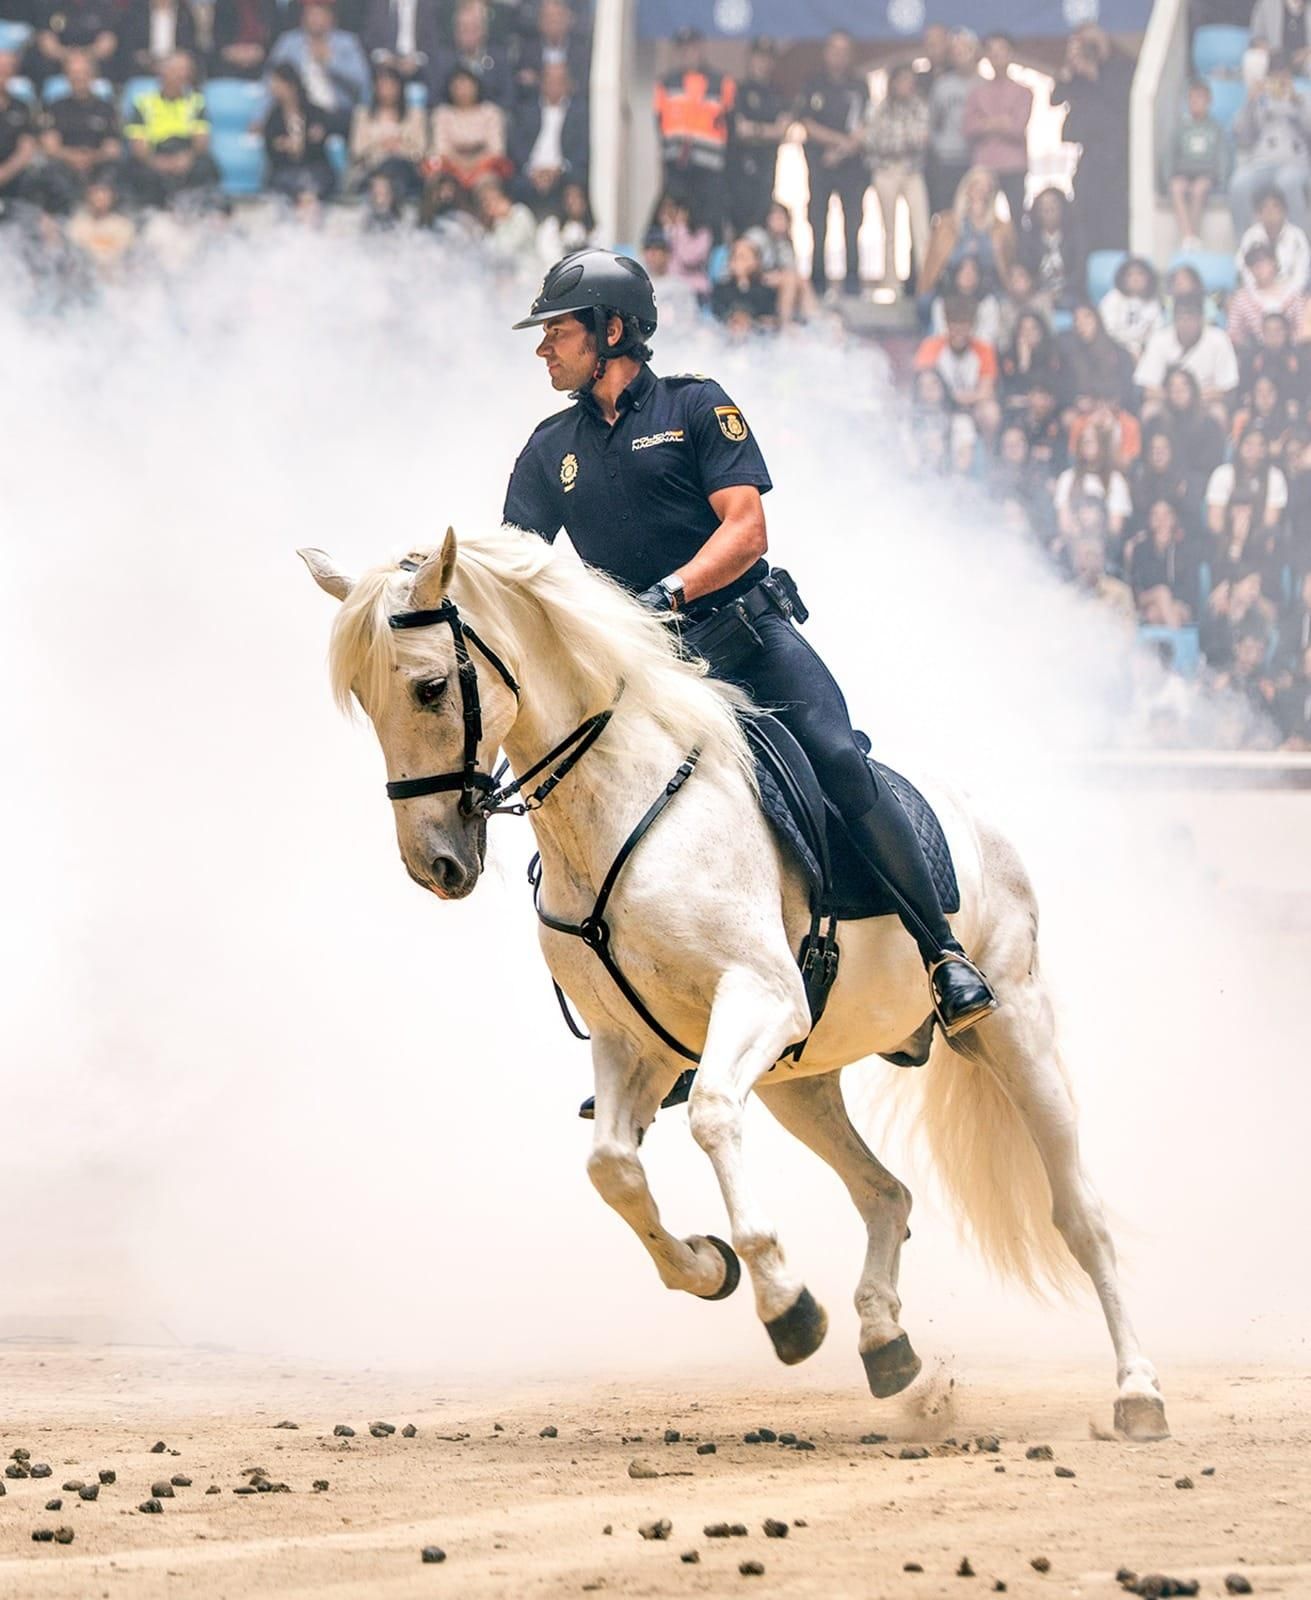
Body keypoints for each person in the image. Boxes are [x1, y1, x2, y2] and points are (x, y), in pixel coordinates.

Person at [503, 249, 1000, 1116]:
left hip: (746, 640)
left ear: (612, 332)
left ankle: (941, 954)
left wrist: (669, 593)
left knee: (838, 762)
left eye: (559, 331)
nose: (544, 349)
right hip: (649, 674)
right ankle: (662, 1024)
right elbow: (514, 565)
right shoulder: (551, 449)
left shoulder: (696, 406)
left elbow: (746, 528)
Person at [1050, 23, 1134, 250]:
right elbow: (1056, 97)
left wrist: (1094, 74)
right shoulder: (1077, 74)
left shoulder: (1121, 68)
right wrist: (1069, 67)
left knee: (1114, 212)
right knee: (1084, 208)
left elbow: (1122, 100)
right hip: (1089, 153)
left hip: (1117, 154)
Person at [798, 29, 869, 298]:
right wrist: (838, 142)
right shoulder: (813, 83)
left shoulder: (859, 85)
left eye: (844, 51)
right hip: (820, 165)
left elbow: (865, 126)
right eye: (834, 50)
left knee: (853, 224)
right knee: (818, 223)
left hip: (852, 167)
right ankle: (817, 281)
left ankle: (852, 282)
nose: (839, 56)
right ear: (826, 53)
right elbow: (807, 123)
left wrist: (840, 150)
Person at [653, 26, 734, 240]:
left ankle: (715, 270)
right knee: (672, 223)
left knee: (711, 223)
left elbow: (731, 124)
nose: (689, 54)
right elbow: (659, 123)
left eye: (693, 48)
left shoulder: (722, 83)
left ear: (701, 49)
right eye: (684, 49)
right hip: (677, 170)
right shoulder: (666, 83)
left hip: (710, 170)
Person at [123, 51, 221, 208]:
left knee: (206, 167)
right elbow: (138, 146)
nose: (179, 76)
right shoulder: (142, 103)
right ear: (161, 73)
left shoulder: (197, 102)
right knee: (138, 172)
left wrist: (186, 158)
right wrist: (157, 162)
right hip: (155, 154)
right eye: (174, 70)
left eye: (183, 71)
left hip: (185, 153)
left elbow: (201, 142)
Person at [866, 61, 930, 297]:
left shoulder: (920, 107)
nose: (907, 86)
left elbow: (922, 139)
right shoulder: (880, 109)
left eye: (910, 81)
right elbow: (873, 141)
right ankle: (890, 282)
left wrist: (899, 143)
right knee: (889, 230)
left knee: (921, 228)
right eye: (902, 81)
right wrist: (903, 142)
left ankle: (926, 282)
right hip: (886, 172)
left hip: (912, 172)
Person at [1230, 55, 1311, 232]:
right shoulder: (1259, 100)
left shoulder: (1303, 98)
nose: (1279, 80)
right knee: (1239, 184)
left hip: (1295, 163)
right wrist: (1249, 102)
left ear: (1290, 76)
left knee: (1287, 182)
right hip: (1262, 163)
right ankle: (1248, 245)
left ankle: (1300, 246)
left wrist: (1295, 102)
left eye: (1283, 75)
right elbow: (1241, 135)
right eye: (1274, 75)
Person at [267, 0, 371, 138]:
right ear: (303, 19)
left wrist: (331, 63)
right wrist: (260, 116)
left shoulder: (348, 43)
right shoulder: (288, 43)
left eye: (320, 15)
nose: (316, 20)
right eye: (311, 16)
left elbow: (362, 82)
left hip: (338, 111)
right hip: (299, 112)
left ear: (331, 19)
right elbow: (270, 80)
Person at [38, 49, 121, 215]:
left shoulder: (107, 108)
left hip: (98, 164)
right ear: (66, 76)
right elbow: (50, 147)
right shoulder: (55, 107)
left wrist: (90, 158)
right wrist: (73, 157)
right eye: (73, 73)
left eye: (84, 73)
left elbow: (113, 149)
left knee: (114, 172)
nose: (79, 77)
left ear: (93, 75)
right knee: (49, 171)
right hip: (65, 165)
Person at [961, 30, 1031, 226]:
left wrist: (986, 122)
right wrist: (1001, 122)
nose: (997, 55)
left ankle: (1018, 256)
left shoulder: (1024, 92)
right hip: (984, 166)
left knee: (1018, 219)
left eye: (1001, 50)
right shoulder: (976, 92)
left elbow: (1017, 128)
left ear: (1011, 54)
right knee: (980, 219)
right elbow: (968, 127)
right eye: (992, 50)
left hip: (1014, 165)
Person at [1134, 294, 1240, 417]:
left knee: (1218, 412)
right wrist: (1176, 396)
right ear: (1173, 319)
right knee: (1149, 410)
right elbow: (1148, 389)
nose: (1185, 323)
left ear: (1201, 318)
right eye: (1181, 318)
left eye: (1191, 318)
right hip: (1167, 401)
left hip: (1204, 402)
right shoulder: (1159, 339)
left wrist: (1192, 396)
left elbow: (1227, 389)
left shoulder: (1219, 339)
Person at [919, 166, 1014, 299]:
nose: (981, 191)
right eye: (977, 185)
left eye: (986, 187)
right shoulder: (946, 223)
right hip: (949, 289)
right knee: (925, 303)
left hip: (988, 289)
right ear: (967, 188)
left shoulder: (1002, 228)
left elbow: (1003, 267)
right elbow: (938, 260)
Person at [507, 58, 587, 214]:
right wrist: (532, 170)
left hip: (564, 172)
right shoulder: (525, 110)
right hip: (530, 172)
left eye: (559, 81)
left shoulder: (579, 114)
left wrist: (559, 170)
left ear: (568, 84)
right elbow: (516, 146)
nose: (554, 86)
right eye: (549, 80)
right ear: (541, 82)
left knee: (576, 185)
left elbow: (582, 150)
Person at [727, 36, 788, 235]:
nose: (763, 63)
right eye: (759, 57)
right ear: (750, 58)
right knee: (739, 224)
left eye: (768, 58)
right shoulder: (738, 90)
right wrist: (766, 131)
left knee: (762, 223)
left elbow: (781, 131)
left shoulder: (779, 93)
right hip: (739, 169)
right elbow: (740, 129)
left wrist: (756, 130)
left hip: (766, 168)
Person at [1165, 78, 1229, 249]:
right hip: (1184, 172)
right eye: (1191, 99)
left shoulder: (1215, 128)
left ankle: (1194, 233)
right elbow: (1171, 154)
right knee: (1176, 187)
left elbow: (1222, 156)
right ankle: (1188, 236)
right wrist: (1168, 176)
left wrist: (1221, 179)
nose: (1195, 103)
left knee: (1199, 189)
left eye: (1199, 99)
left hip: (1206, 174)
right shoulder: (1181, 128)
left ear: (1208, 101)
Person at [349, 61, 427, 197]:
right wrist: (383, 145)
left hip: (405, 168)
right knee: (383, 171)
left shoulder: (415, 115)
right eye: (382, 86)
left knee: (396, 166)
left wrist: (398, 148)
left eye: (391, 86)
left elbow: (420, 149)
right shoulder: (363, 115)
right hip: (372, 168)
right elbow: (357, 149)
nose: (386, 90)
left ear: (399, 88)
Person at [429, 64, 508, 190]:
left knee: (489, 179)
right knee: (439, 179)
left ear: (476, 86)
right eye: (457, 87)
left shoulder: (491, 112)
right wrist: (461, 165)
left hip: (485, 168)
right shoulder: (442, 114)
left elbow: (496, 149)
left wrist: (473, 165)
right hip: (450, 168)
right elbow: (441, 149)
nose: (462, 91)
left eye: (467, 86)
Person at [263, 62, 335, 201]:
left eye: (277, 82)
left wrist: (310, 139)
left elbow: (324, 134)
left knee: (316, 182)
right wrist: (284, 146)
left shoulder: (314, 113)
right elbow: (271, 148)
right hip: (285, 170)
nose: (273, 87)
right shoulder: (273, 117)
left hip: (314, 168)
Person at [926, 26, 977, 218]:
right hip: (946, 161)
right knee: (946, 214)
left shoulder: (983, 84)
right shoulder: (942, 85)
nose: (961, 55)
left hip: (975, 160)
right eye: (957, 52)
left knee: (972, 215)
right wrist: (939, 145)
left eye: (966, 50)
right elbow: (932, 122)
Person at [1016, 185, 1085, 310]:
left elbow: (1079, 273)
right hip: (1037, 294)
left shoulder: (1075, 238)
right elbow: (1026, 271)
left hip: (1068, 294)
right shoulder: (1029, 240)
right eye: (1044, 208)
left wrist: (1059, 292)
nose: (1049, 211)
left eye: (1053, 207)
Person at [432, 0, 511, 107]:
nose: (469, 35)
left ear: (484, 31)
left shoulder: (499, 58)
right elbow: (435, 98)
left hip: (489, 118)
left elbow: (508, 97)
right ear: (455, 32)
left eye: (474, 29)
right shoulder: (442, 60)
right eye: (464, 29)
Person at [1228, 239, 1306, 346]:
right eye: (1253, 263)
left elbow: (1302, 328)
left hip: (1291, 354)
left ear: (1274, 262)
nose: (1258, 266)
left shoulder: (1294, 294)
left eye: (1263, 261)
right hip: (1254, 356)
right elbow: (1234, 333)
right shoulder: (1241, 299)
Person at [1235, 183, 1311, 290]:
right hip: (1256, 296)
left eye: (1275, 206)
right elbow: (1243, 269)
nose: (1270, 212)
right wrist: (1260, 295)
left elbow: (1302, 275)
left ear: (1284, 210)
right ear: (1258, 214)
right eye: (1264, 207)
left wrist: (1283, 297)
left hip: (1290, 297)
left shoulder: (1297, 237)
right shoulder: (1250, 236)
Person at [361, 0, 440, 90]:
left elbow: (433, 44)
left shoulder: (429, 5)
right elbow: (367, 41)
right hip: (382, 68)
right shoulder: (375, 4)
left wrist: (416, 61)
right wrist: (385, 58)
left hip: (418, 69)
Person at [66, 170, 135, 274]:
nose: (100, 197)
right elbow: (73, 256)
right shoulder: (76, 224)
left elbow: (128, 256)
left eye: (104, 193)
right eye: (95, 193)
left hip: (117, 276)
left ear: (112, 196)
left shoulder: (123, 225)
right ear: (87, 196)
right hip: (85, 276)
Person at [710, 235, 777, 337]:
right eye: (734, 257)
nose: (738, 262)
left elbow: (769, 316)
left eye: (743, 257)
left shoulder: (766, 291)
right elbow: (717, 313)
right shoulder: (720, 289)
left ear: (756, 262)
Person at [1099, 256, 1164, 361]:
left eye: (1140, 274)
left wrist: (1144, 350)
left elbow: (1158, 331)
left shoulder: (1153, 301)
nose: (1135, 279)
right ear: (1123, 278)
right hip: (1116, 349)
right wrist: (1130, 349)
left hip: (1144, 351)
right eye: (1130, 275)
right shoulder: (1113, 298)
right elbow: (1108, 331)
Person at [116, 0, 200, 79]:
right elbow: (129, 45)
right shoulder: (137, 12)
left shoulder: (184, 13)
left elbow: (189, 46)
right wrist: (149, 61)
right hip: (144, 66)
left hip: (175, 67)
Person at [0, 50, 40, 209]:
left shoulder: (22, 107)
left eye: (7, 68)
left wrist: (3, 173)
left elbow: (27, 147)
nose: (3, 72)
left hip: (14, 174)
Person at [210, 0, 280, 79]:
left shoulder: (268, 3)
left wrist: (261, 51)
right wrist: (235, 54)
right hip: (230, 62)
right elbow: (218, 40)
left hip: (263, 60)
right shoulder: (223, 3)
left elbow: (276, 35)